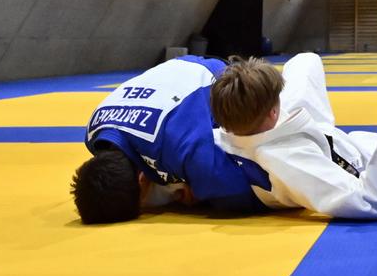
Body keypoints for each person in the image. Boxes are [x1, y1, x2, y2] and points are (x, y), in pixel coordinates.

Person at [211, 54, 377, 219]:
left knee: (306, 60)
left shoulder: (222, 133)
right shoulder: (289, 160)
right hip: (340, 154)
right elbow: (369, 201)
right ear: (272, 111)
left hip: (289, 129)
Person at [72, 56, 270, 223]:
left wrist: (203, 194)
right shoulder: (94, 132)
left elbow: (240, 194)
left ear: (142, 181)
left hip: (226, 77)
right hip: (178, 68)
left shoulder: (182, 147)